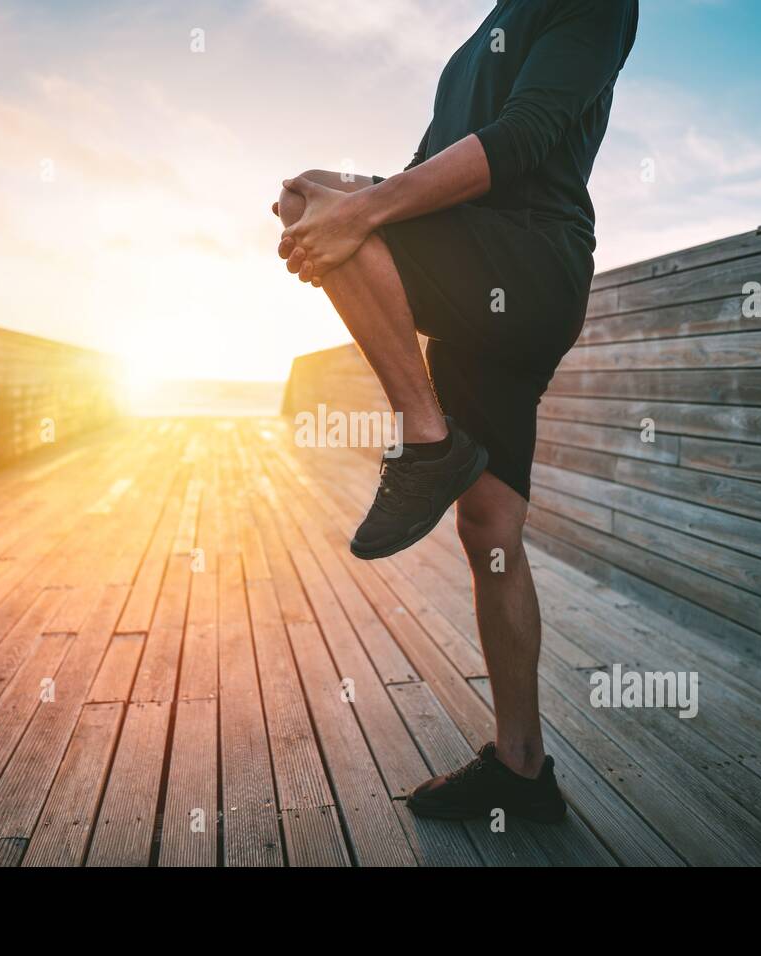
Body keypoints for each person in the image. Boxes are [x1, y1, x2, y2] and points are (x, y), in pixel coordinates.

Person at [273, 0, 638, 823]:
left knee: (346, 221)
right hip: (479, 283)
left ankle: (426, 440)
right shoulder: (489, 27)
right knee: (491, 530)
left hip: (532, 263)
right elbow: (423, 170)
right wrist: (340, 193)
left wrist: (356, 214)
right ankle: (521, 769)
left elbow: (523, 140)